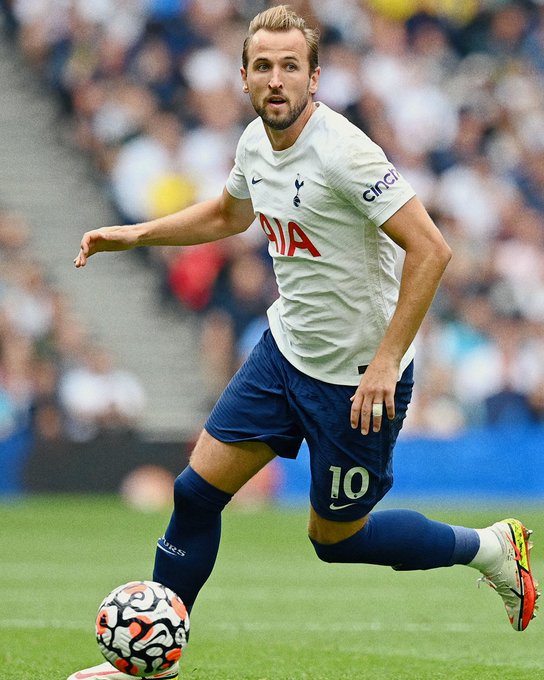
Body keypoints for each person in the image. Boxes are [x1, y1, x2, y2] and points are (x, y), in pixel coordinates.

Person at [68, 7, 539, 680]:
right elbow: (230, 213)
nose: (277, 79)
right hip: (284, 353)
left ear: (315, 77)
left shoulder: (346, 152)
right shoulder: (255, 145)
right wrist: (137, 234)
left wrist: (384, 361)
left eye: (291, 66)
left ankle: (489, 547)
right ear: (244, 77)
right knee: (195, 494)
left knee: (334, 541)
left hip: (357, 382)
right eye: (264, 66)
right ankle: (151, 660)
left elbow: (432, 250)